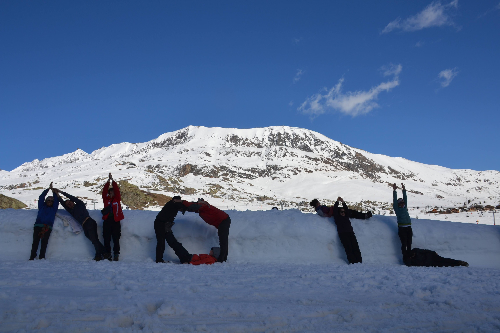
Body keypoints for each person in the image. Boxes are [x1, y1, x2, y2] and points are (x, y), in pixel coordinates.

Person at [54, 188, 107, 261]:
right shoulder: (71, 211)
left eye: (70, 202)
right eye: (68, 204)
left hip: (89, 222)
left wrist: (61, 192)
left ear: (73, 202)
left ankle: (98, 255)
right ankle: (105, 253)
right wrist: (57, 194)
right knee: (94, 240)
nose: (69, 204)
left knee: (94, 239)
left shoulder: (80, 204)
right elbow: (63, 203)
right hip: (84, 226)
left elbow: (72, 197)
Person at [179, 198, 231, 262]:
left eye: (199, 202)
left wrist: (182, 201)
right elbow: (193, 208)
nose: (198, 202)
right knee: (223, 240)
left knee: (223, 241)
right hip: (222, 222)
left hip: (224, 221)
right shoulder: (201, 209)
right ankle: (223, 258)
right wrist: (184, 208)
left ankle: (222, 259)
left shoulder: (204, 205)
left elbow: (193, 206)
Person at [313, 197, 362, 264]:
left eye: (344, 211)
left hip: (350, 232)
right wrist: (337, 202)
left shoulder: (346, 216)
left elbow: (346, 209)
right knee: (348, 248)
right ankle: (353, 262)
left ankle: (359, 261)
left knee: (355, 246)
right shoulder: (337, 217)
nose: (343, 212)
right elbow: (335, 210)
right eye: (341, 212)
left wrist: (343, 202)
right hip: (343, 233)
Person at [29, 182, 59, 260]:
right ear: (46, 201)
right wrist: (48, 189)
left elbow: (56, 201)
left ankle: (42, 256)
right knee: (35, 241)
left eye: (51, 201)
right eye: (48, 200)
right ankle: (32, 256)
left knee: (44, 242)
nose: (49, 202)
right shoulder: (41, 206)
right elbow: (41, 197)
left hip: (47, 227)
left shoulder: (54, 209)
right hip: (38, 225)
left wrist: (53, 192)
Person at [154, 196, 184, 263]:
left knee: (163, 242)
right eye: (178, 200)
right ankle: (159, 260)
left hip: (162, 224)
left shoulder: (171, 204)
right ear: (175, 200)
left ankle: (159, 259)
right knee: (161, 242)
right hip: (161, 224)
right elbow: (181, 206)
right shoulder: (172, 204)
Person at [101, 173, 124, 261]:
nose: (111, 193)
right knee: (106, 238)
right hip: (107, 221)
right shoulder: (105, 199)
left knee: (116, 238)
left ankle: (116, 254)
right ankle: (107, 254)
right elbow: (104, 191)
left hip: (115, 221)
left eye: (112, 192)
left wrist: (112, 180)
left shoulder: (117, 199)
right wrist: (108, 182)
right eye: (110, 192)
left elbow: (117, 190)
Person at [392, 183, 412, 264]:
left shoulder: (405, 207)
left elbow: (405, 198)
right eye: (400, 203)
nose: (402, 203)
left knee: (409, 243)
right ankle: (405, 258)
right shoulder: (397, 209)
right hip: (402, 228)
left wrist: (404, 190)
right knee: (404, 244)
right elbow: (394, 200)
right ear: (398, 204)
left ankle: (410, 258)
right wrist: (394, 191)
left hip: (408, 227)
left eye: (403, 202)